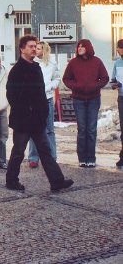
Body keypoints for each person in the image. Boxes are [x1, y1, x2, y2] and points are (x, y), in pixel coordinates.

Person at [6, 34, 73, 192]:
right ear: (22, 49)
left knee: (45, 150)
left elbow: (41, 93)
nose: (34, 49)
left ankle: (57, 181)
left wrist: (42, 112)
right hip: (23, 121)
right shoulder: (17, 70)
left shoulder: (36, 67)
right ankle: (11, 180)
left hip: (37, 120)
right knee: (18, 152)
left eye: (35, 46)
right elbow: (12, 95)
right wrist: (26, 111)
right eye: (30, 46)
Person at [63, 39, 109, 168]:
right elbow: (66, 79)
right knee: (82, 129)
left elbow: (105, 78)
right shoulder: (73, 63)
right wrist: (76, 86)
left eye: (82, 46)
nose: (80, 48)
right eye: (78, 46)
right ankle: (82, 158)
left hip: (94, 99)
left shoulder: (97, 62)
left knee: (91, 129)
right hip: (79, 100)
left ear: (88, 47)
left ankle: (91, 158)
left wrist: (95, 86)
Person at [28, 41, 60, 168]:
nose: (36, 50)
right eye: (35, 48)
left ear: (45, 50)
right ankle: (33, 157)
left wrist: (50, 87)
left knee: (49, 130)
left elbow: (57, 78)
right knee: (33, 128)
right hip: (34, 99)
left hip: (47, 98)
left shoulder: (52, 63)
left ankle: (52, 156)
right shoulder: (32, 63)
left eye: (39, 48)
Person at [111, 38, 123, 169]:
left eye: (119, 48)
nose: (118, 50)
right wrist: (115, 85)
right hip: (122, 98)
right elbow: (113, 79)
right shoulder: (117, 63)